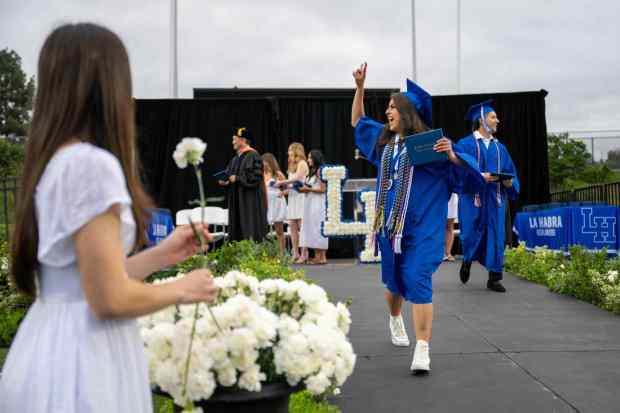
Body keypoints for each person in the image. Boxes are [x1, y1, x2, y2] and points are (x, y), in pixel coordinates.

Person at [0, 23, 218, 413]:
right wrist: (185, 288)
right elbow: (107, 298)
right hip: (85, 359)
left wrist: (161, 256)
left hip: (50, 342)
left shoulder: (55, 161)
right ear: (107, 87)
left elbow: (82, 282)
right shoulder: (91, 165)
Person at [351, 62, 483, 375]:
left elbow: (468, 180)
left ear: (408, 112)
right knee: (395, 281)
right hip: (391, 227)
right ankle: (395, 317)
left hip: (423, 229)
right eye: (387, 107)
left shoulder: (431, 147)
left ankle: (422, 348)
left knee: (419, 280)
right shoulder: (383, 143)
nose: (387, 112)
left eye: (392, 106)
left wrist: (452, 155)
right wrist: (359, 88)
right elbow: (357, 121)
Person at [454, 100, 520, 293]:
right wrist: (479, 176)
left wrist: (509, 183)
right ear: (482, 120)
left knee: (496, 236)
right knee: (470, 234)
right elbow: (457, 172)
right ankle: (467, 260)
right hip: (473, 198)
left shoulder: (501, 148)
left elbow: (511, 173)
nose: (497, 120)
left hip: (495, 198)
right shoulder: (465, 144)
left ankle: (494, 277)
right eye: (493, 117)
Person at [218, 127, 268, 242]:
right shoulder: (235, 159)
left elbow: (255, 178)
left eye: (234, 139)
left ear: (243, 140)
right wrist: (226, 181)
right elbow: (229, 175)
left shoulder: (254, 156)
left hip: (249, 201)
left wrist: (238, 178)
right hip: (237, 200)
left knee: (249, 227)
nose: (233, 142)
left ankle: (251, 254)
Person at [278, 143, 308, 263]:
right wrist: (284, 190)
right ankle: (295, 253)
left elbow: (298, 179)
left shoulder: (302, 163)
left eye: (290, 150)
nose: (288, 152)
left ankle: (304, 253)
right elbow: (292, 185)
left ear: (296, 150)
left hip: (301, 197)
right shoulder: (291, 165)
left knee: (302, 227)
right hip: (293, 198)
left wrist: (283, 181)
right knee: (292, 227)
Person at [299, 149, 328, 265]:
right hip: (310, 202)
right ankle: (320, 256)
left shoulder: (320, 171)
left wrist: (308, 189)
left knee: (317, 227)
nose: (308, 160)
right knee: (312, 227)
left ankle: (320, 256)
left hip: (317, 203)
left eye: (310, 158)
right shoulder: (312, 171)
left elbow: (322, 189)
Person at [262, 152, 288, 255]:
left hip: (277, 202)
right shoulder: (261, 174)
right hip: (266, 202)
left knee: (279, 230)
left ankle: (281, 253)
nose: (264, 165)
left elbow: (288, 188)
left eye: (265, 163)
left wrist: (283, 193)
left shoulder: (278, 174)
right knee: (263, 230)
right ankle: (265, 252)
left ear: (270, 162)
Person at [444, 193, 458, 261]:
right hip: (439, 195)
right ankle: (437, 253)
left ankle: (447, 253)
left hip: (452, 197)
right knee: (438, 226)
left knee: (450, 225)